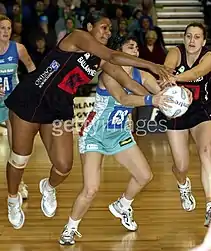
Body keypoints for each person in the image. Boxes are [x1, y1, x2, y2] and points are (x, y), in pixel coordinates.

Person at [4, 11, 173, 230]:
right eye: (104, 27)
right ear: (90, 26)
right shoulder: (77, 37)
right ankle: (13, 198)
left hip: (58, 109)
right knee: (20, 158)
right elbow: (113, 55)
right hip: (31, 99)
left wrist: (159, 100)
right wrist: (150, 64)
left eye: (110, 29)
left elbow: (129, 84)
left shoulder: (100, 60)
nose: (108, 31)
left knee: (64, 166)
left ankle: (48, 186)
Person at [58, 36, 189, 245]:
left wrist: (179, 96)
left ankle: (122, 205)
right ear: (118, 52)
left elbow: (161, 93)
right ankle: (70, 228)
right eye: (130, 47)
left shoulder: (142, 74)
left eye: (137, 47)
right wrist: (151, 100)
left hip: (119, 133)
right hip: (95, 134)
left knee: (144, 175)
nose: (135, 50)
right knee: (91, 189)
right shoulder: (108, 73)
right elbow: (124, 98)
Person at [160, 22, 211, 227]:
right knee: (181, 166)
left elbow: (195, 74)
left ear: (204, 40)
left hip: (201, 109)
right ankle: (183, 184)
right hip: (177, 110)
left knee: (206, 151)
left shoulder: (209, 57)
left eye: (197, 37)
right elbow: (166, 69)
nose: (192, 41)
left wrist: (174, 78)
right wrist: (168, 77)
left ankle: (210, 207)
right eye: (189, 36)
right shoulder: (176, 52)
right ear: (184, 38)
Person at [0, 15, 36, 200]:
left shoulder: (18, 48)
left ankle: (19, 184)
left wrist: (35, 88)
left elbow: (31, 68)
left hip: (13, 100)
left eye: (8, 28)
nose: (6, 31)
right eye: (2, 28)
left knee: (17, 147)